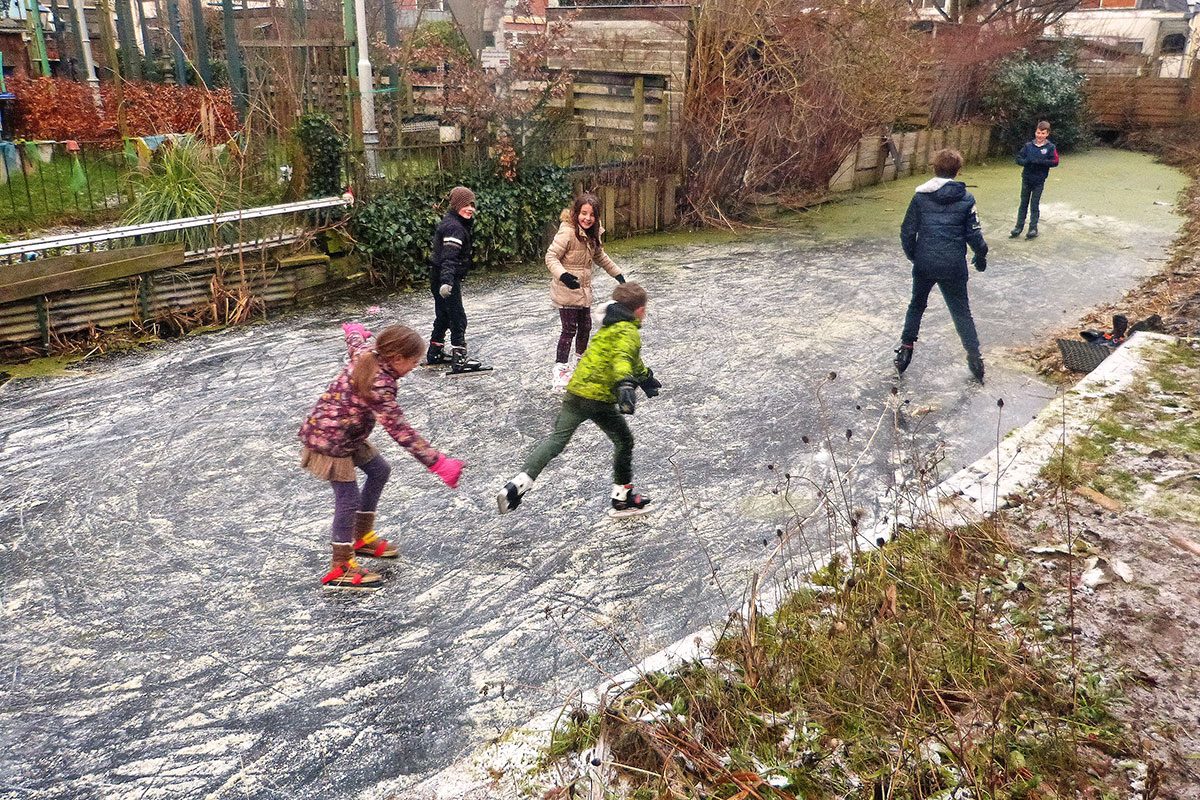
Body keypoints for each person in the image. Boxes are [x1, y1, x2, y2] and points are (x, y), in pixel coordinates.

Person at [300, 323, 464, 589]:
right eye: (413, 362)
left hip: (347, 433)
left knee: (379, 470)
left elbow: (354, 342)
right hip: (330, 440)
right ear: (397, 358)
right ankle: (340, 565)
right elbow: (399, 429)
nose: (414, 368)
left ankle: (362, 536)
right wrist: (437, 462)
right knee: (348, 497)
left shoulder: (369, 352)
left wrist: (354, 331)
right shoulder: (380, 385)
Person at [497, 282, 662, 517]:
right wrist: (625, 383)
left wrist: (645, 378)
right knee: (624, 441)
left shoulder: (608, 328)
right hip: (599, 400)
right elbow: (623, 358)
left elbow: (626, 359)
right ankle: (622, 497)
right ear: (640, 311)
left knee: (556, 440)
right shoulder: (629, 332)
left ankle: (517, 485)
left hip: (576, 393)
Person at [894, 148, 989, 383]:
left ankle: (906, 349)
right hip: (953, 265)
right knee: (961, 311)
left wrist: (914, 256)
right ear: (957, 171)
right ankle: (975, 357)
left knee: (916, 305)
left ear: (934, 168)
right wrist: (981, 254)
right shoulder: (966, 199)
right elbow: (974, 234)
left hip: (925, 263)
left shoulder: (920, 197)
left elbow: (907, 231)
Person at [545, 193, 627, 389]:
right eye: (583, 213)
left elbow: (601, 257)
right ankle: (560, 370)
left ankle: (581, 364)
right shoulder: (567, 233)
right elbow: (551, 257)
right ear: (576, 213)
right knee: (569, 329)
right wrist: (563, 275)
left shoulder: (593, 235)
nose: (587, 218)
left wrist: (618, 275)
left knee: (586, 327)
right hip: (566, 291)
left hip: (583, 292)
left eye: (591, 214)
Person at [426, 185, 489, 373]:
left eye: (472, 205)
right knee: (457, 317)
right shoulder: (455, 228)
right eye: (465, 204)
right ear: (455, 205)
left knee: (443, 315)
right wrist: (447, 282)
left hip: (438, 276)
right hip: (446, 278)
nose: (470, 208)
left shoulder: (453, 223)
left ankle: (435, 352)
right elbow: (449, 257)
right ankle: (459, 358)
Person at [1010, 121, 1059, 240]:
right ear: (1035, 132)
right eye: (1038, 132)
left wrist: (1041, 162)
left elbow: (1055, 162)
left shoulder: (1050, 147)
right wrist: (1026, 162)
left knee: (1034, 204)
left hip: (1039, 180)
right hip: (1026, 179)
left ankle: (1033, 228)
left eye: (1043, 133)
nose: (1040, 135)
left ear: (1047, 134)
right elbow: (1018, 158)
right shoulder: (1028, 146)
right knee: (1023, 204)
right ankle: (1018, 227)